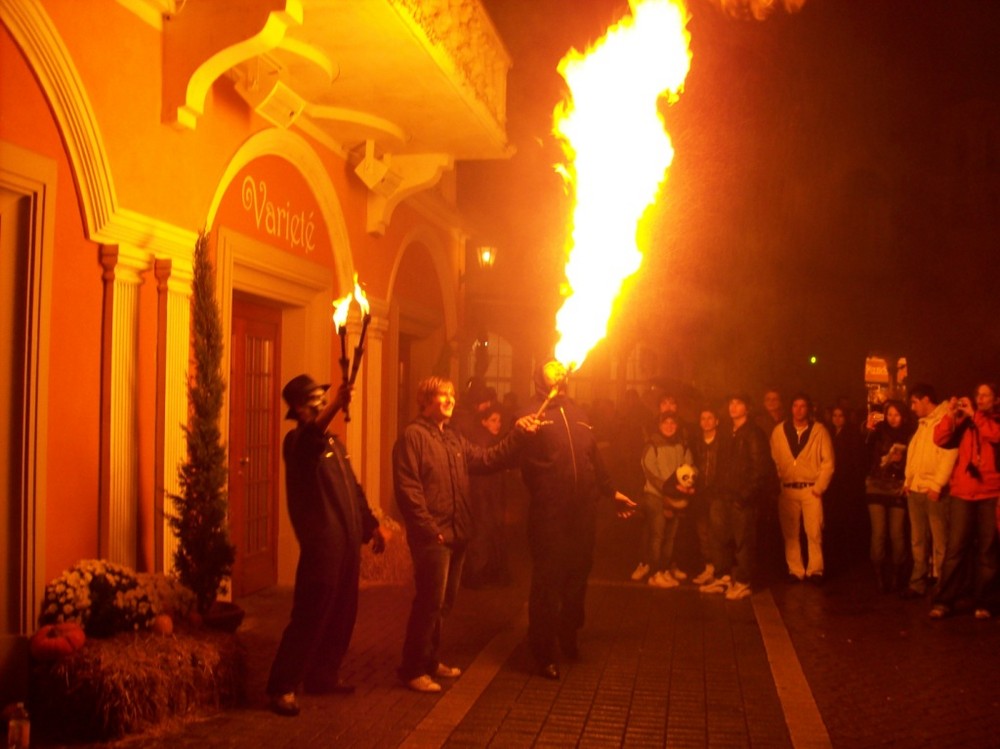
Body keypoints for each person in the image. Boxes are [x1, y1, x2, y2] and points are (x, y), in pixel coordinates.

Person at [393, 376, 533, 692]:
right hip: (434, 536)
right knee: (429, 603)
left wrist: (518, 434)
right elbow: (408, 490)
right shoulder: (412, 437)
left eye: (452, 395)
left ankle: (429, 660)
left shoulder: (453, 438)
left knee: (444, 603)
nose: (449, 400)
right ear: (425, 401)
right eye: (442, 396)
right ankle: (412, 668)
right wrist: (430, 530)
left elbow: (487, 459)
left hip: (456, 533)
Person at [266, 375, 386, 717]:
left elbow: (353, 488)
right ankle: (282, 686)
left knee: (343, 614)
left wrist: (370, 524)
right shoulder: (299, 443)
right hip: (322, 547)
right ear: (301, 407)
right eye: (318, 399)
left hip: (347, 543)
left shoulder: (334, 443)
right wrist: (336, 405)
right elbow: (311, 436)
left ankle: (323, 675)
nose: (323, 401)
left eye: (325, 397)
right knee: (310, 614)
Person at [518, 361, 636, 679]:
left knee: (578, 576)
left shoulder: (579, 414)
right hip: (550, 513)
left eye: (560, 367)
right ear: (538, 376)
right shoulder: (531, 414)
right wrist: (543, 489)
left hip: (583, 511)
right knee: (547, 581)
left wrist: (611, 493)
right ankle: (543, 653)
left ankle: (568, 633)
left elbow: (593, 458)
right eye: (550, 367)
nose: (558, 371)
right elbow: (518, 459)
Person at [929, 382, 1000, 620]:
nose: (979, 399)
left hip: (990, 492)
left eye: (985, 395)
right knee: (955, 548)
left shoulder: (993, 419)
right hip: (962, 492)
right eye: (977, 395)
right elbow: (939, 438)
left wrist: (975, 415)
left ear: (995, 399)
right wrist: (951, 415)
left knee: (987, 551)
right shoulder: (965, 420)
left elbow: (995, 435)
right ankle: (944, 599)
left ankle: (985, 601)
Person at [698, 393, 771, 600]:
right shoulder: (728, 433)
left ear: (747, 408)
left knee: (743, 541)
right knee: (719, 538)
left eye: (738, 403)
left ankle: (743, 582)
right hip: (723, 496)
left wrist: (745, 496)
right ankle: (723, 577)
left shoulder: (754, 434)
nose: (733, 407)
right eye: (731, 403)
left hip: (741, 498)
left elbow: (760, 470)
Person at [770, 393, 835, 583]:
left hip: (810, 488)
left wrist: (819, 487)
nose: (798, 410)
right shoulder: (779, 431)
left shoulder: (819, 431)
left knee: (813, 531)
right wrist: (779, 480)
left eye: (802, 406)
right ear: (791, 408)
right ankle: (795, 570)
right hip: (788, 488)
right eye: (795, 406)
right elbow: (773, 458)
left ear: (808, 409)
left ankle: (815, 570)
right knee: (790, 533)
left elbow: (828, 462)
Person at [902, 384, 957, 598]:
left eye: (915, 402)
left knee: (940, 541)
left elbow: (949, 454)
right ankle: (918, 582)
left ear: (926, 399)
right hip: (916, 490)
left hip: (934, 491)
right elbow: (915, 454)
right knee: (918, 539)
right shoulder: (923, 424)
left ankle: (943, 585)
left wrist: (937, 484)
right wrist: (909, 480)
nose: (913, 407)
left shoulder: (944, 420)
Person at [863, 400, 914, 593]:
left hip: (897, 486)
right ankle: (879, 574)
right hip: (876, 484)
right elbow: (865, 448)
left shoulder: (910, 433)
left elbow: (912, 461)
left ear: (903, 416)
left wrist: (900, 462)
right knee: (879, 532)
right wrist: (868, 429)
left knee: (897, 533)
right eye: (889, 414)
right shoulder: (878, 431)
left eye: (897, 415)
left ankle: (897, 574)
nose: (893, 418)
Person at [640, 412, 692, 588]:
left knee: (670, 537)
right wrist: (667, 492)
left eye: (673, 423)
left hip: (676, 497)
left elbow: (688, 469)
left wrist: (683, 488)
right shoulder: (651, 445)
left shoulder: (682, 445)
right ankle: (654, 573)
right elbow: (651, 472)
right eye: (665, 423)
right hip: (655, 496)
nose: (669, 426)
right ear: (659, 425)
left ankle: (663, 570)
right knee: (658, 535)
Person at [462, 405, 511, 589]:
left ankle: (486, 573)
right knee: (482, 533)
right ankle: (475, 575)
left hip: (490, 494)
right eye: (493, 420)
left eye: (499, 420)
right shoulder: (484, 441)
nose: (497, 424)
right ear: (483, 422)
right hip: (483, 494)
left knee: (489, 531)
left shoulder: (491, 439)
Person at [825, 405, 866, 574]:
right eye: (834, 415)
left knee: (846, 520)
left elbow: (856, 461)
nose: (837, 419)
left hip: (846, 484)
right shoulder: (829, 434)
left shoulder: (852, 435)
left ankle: (848, 557)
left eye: (840, 415)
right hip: (833, 483)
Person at [689, 406, 722, 585]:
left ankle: (720, 569)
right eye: (703, 418)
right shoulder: (696, 442)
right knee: (702, 531)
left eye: (710, 418)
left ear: (717, 421)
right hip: (700, 493)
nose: (707, 422)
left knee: (718, 531)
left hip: (718, 493)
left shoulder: (724, 442)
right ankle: (708, 567)